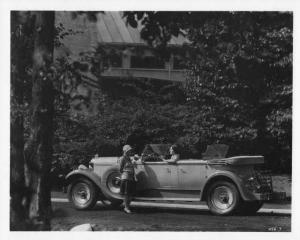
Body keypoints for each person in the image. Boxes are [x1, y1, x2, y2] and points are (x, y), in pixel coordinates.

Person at [119, 144, 136, 214]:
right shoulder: (122, 158)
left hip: (130, 177)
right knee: (127, 193)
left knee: (130, 193)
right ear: (125, 151)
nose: (130, 152)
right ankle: (126, 207)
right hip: (126, 176)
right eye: (128, 151)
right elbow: (120, 169)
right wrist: (124, 173)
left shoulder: (129, 158)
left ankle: (127, 207)